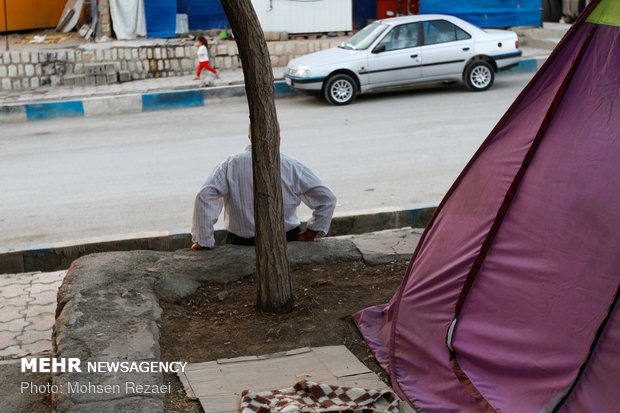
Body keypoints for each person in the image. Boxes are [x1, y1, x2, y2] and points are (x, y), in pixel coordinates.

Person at [191, 127, 337, 249]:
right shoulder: (291, 165)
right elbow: (327, 199)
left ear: (249, 135)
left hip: (241, 243)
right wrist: (311, 233)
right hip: (286, 240)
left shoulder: (231, 164)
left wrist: (204, 241)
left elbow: (205, 196)